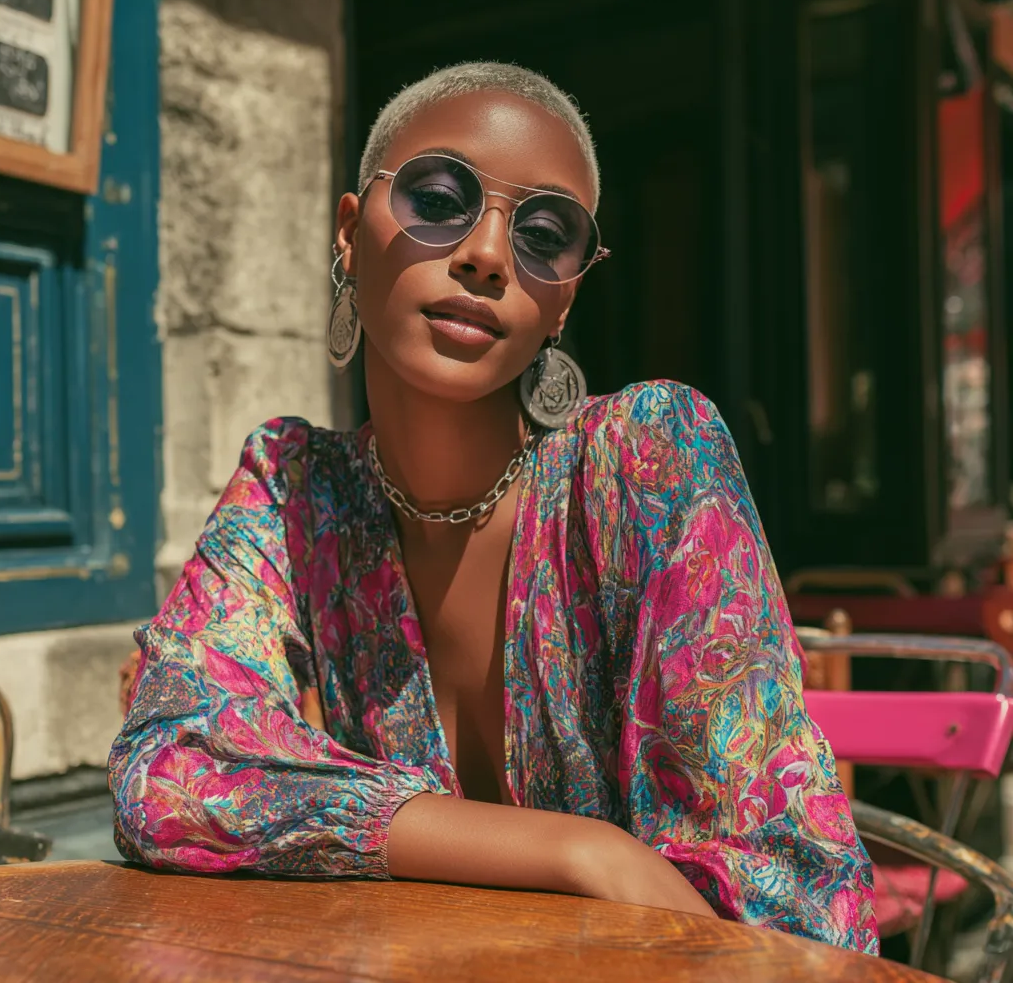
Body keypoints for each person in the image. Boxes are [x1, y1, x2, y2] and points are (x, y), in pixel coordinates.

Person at [109, 61, 877, 952]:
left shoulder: (646, 457)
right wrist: (579, 851)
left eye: (544, 235)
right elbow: (166, 770)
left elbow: (796, 897)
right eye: (439, 200)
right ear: (349, 234)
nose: (485, 255)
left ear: (565, 299)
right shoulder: (294, 488)